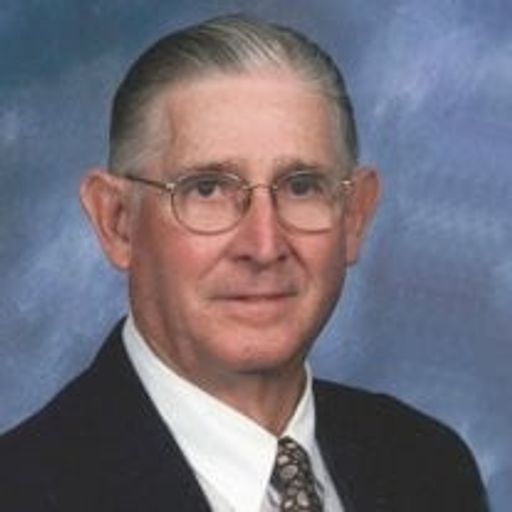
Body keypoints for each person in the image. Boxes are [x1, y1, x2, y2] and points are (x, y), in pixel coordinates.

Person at [0, 14, 487, 512]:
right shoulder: (21, 491)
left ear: (354, 217)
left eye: (302, 186)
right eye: (207, 189)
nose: (264, 246)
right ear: (118, 222)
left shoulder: (431, 467)